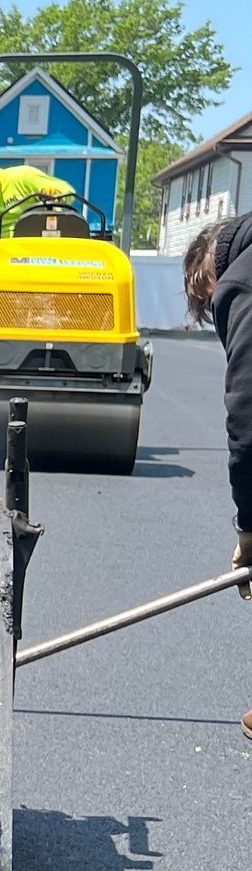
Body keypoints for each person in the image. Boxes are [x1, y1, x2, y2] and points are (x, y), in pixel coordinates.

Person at [182, 214, 252, 734]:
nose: (212, 308)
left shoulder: (240, 282)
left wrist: (249, 526)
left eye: (205, 303)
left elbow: (249, 416)